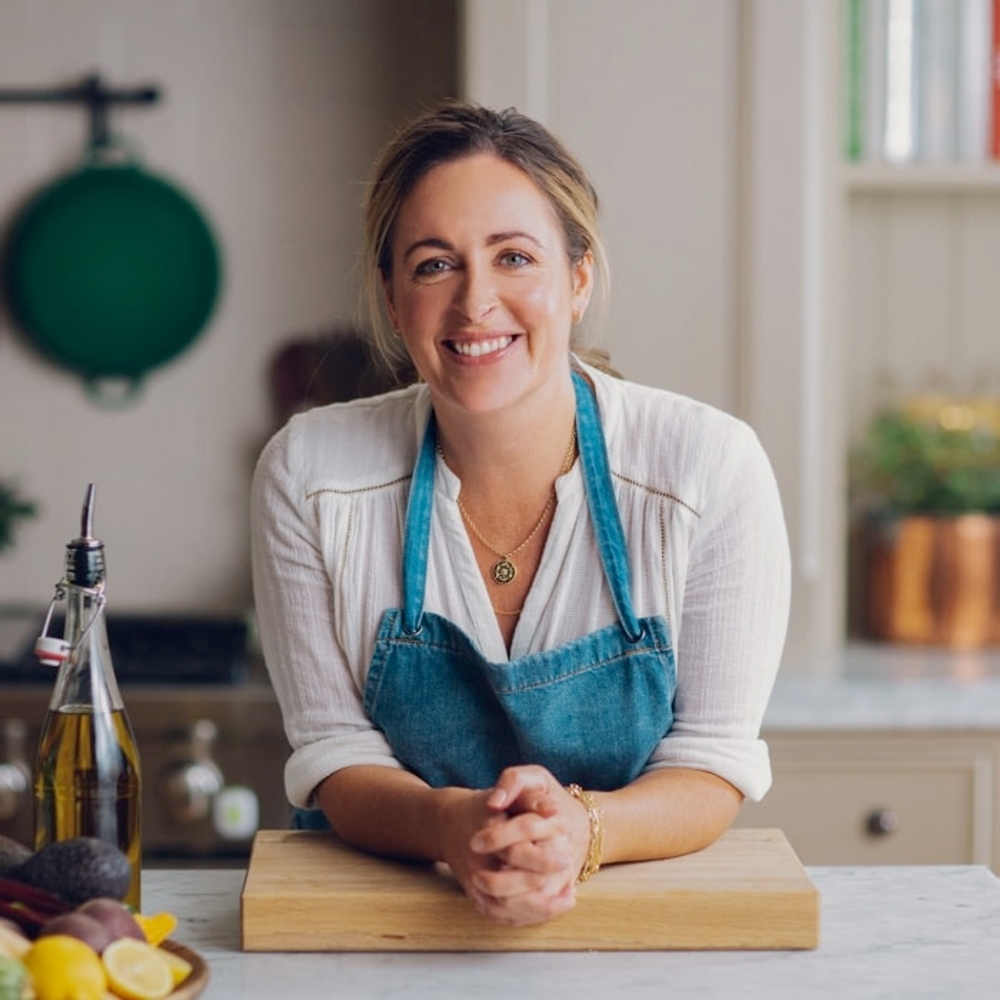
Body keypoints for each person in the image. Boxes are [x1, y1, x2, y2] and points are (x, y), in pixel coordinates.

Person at [250, 100, 790, 928]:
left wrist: (584, 829)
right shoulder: (312, 473)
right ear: (393, 301)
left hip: (630, 935)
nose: (476, 303)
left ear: (576, 280)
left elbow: (711, 761)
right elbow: (332, 753)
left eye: (514, 257)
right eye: (434, 265)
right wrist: (447, 825)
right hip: (378, 932)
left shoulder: (708, 467)